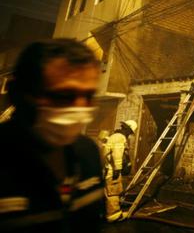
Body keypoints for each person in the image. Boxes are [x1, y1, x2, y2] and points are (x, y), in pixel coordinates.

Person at [0, 39, 105, 232]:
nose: (80, 108)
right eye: (64, 96)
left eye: (88, 96)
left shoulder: (88, 153)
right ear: (19, 95)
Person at [103, 119, 137, 222]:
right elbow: (117, 154)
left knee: (107, 191)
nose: (130, 135)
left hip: (106, 168)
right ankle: (114, 215)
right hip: (112, 170)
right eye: (130, 132)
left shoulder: (115, 136)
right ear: (127, 129)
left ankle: (106, 211)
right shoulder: (119, 138)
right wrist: (117, 169)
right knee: (113, 192)